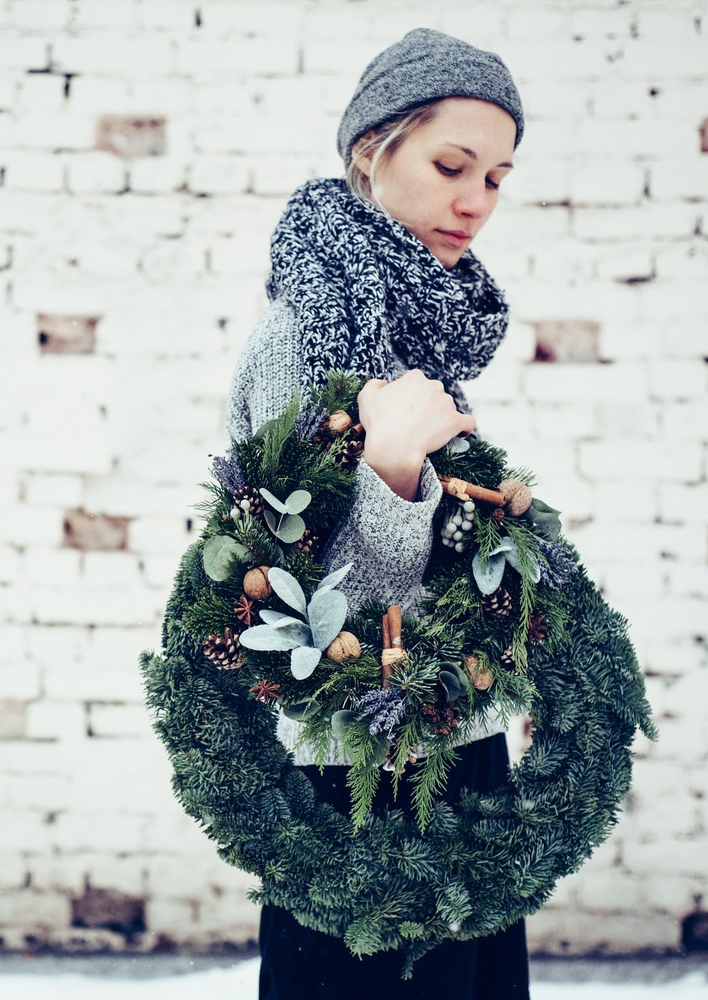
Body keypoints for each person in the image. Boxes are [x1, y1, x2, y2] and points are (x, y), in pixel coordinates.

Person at [224, 28, 532, 1000]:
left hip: (459, 745)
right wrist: (394, 472)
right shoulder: (301, 334)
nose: (475, 201)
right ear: (372, 150)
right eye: (451, 166)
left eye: (496, 176)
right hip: (354, 777)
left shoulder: (418, 322)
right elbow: (289, 588)